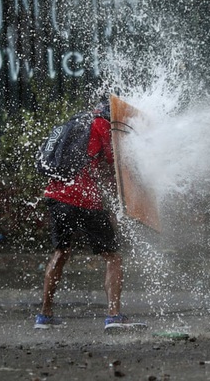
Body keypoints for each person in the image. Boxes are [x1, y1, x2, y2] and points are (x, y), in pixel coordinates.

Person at [35, 97, 138, 330]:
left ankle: (45, 315)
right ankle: (114, 316)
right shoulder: (102, 125)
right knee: (113, 257)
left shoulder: (74, 122)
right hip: (84, 199)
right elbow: (115, 161)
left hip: (55, 195)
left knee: (61, 251)